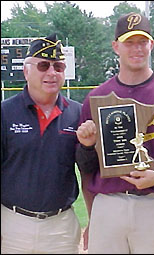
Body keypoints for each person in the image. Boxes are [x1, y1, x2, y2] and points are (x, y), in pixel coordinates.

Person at [76, 12, 154, 254]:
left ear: (151, 45)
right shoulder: (96, 98)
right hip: (109, 204)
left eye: (142, 42)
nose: (136, 49)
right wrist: (86, 146)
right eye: (129, 42)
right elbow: (87, 168)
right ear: (116, 46)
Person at [1, 33, 82, 254]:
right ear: (26, 71)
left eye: (58, 66)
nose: (51, 73)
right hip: (11, 224)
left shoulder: (78, 113)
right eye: (43, 65)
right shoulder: (5, 113)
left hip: (61, 227)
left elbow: (89, 170)